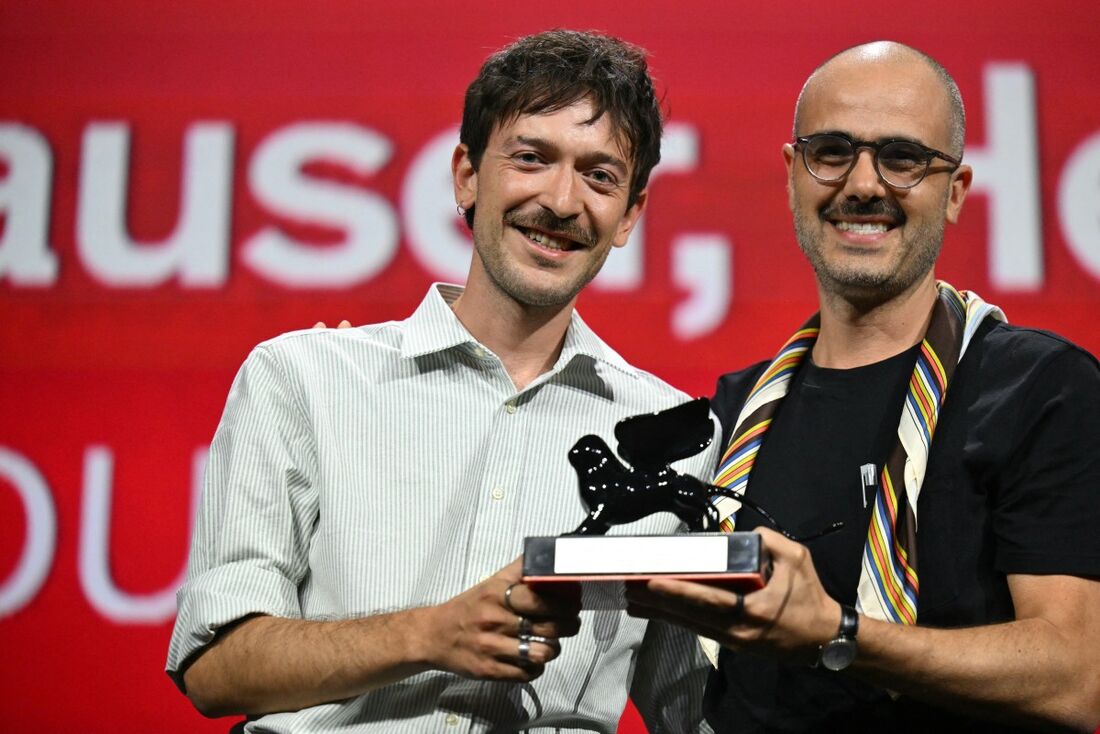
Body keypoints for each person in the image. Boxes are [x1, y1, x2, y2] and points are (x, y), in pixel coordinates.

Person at [166, 30, 720, 733]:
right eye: (532, 158)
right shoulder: (302, 379)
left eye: (599, 176)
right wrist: (431, 636)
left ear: (629, 216)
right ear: (466, 174)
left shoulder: (677, 435)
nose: (560, 199)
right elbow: (216, 665)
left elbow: (695, 710)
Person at [625, 41, 1100, 733]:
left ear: (957, 191)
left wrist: (839, 632)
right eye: (832, 151)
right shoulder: (729, 419)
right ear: (793, 173)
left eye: (902, 158)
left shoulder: (1042, 389)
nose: (864, 184)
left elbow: (1076, 676)